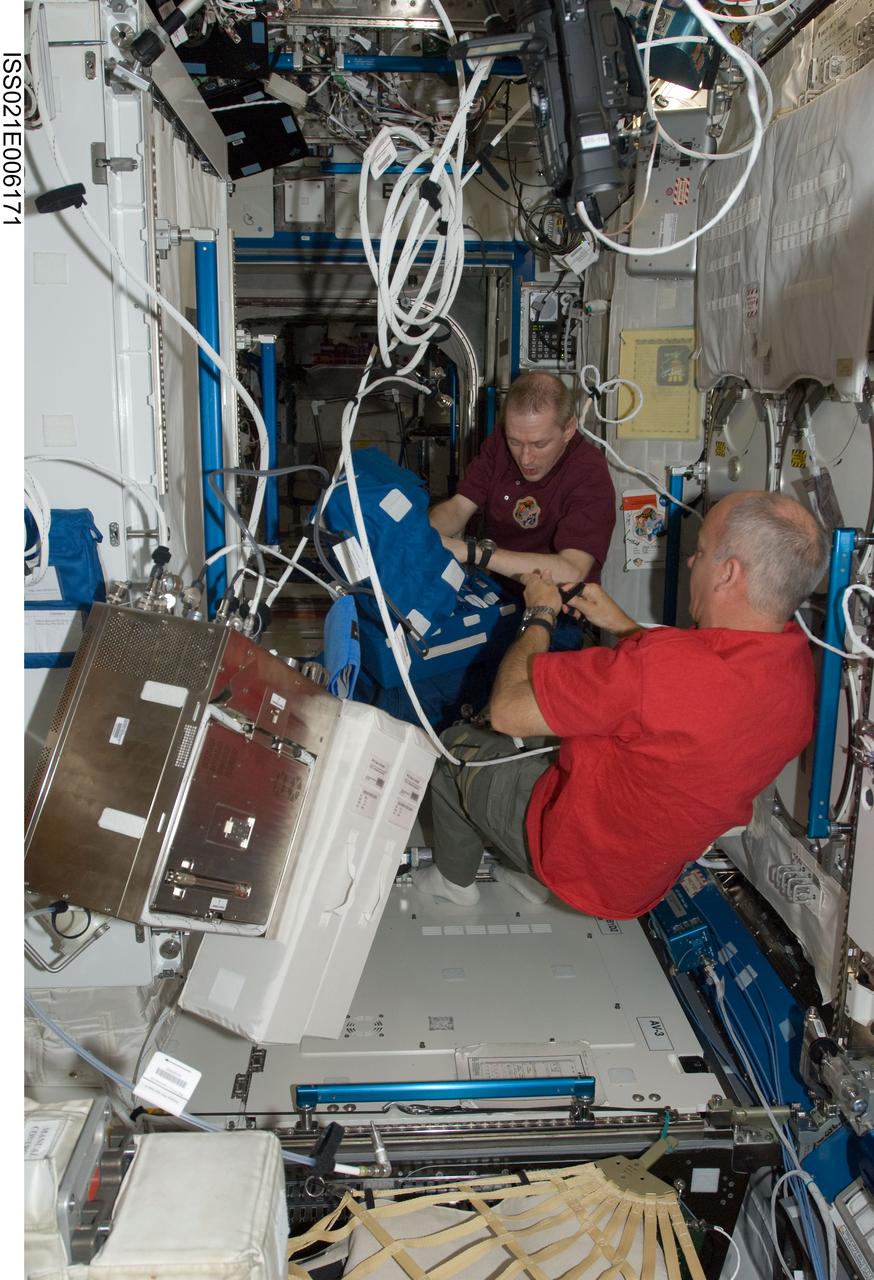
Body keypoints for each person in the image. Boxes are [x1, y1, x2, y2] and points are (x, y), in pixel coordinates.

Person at [414, 491, 830, 919]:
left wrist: (538, 614)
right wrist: (623, 625)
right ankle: (520, 871)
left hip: (572, 859)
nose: (691, 562)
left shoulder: (658, 671)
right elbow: (687, 695)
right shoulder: (795, 673)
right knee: (552, 739)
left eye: (701, 551)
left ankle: (454, 881)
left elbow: (506, 710)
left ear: (727, 573)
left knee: (456, 750)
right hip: (640, 875)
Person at [428, 370, 616, 589]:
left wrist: (473, 553)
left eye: (539, 444)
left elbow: (572, 570)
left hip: (558, 607)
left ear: (568, 429)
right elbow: (459, 507)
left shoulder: (588, 472)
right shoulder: (499, 443)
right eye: (515, 442)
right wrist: (422, 533)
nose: (525, 458)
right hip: (500, 591)